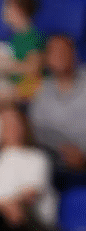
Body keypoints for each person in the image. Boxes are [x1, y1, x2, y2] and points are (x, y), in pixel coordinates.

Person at [29, 35, 86, 192]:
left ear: (74, 54)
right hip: (57, 163)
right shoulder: (41, 91)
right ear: (47, 59)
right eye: (53, 52)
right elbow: (38, 130)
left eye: (63, 51)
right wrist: (63, 151)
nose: (59, 56)